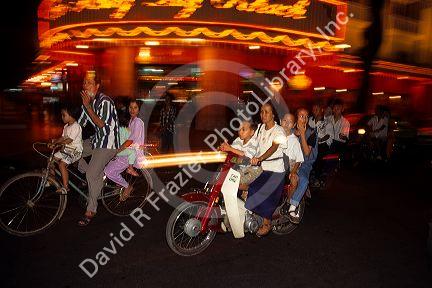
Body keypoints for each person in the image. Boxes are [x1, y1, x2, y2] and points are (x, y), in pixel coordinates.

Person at [77, 70, 120, 226]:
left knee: (90, 174)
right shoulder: (87, 103)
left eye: (88, 82)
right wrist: (64, 138)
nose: (84, 85)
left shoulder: (105, 101)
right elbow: (79, 126)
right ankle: (96, 175)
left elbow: (101, 124)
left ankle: (91, 209)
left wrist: (88, 107)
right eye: (84, 82)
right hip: (96, 140)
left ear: (97, 86)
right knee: (72, 151)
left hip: (108, 143)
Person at [245, 103, 286, 237]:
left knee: (257, 189)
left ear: (273, 115)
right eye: (262, 112)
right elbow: (251, 141)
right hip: (262, 168)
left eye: (267, 112)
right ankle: (249, 214)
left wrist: (260, 158)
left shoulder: (279, 131)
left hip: (276, 170)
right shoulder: (261, 128)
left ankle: (267, 223)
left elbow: (274, 147)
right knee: (242, 183)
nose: (263, 114)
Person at [104, 100, 145, 201]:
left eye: (135, 107)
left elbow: (130, 140)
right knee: (110, 167)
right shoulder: (131, 120)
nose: (132, 110)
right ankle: (119, 186)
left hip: (130, 152)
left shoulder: (138, 122)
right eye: (130, 107)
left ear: (139, 109)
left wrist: (117, 150)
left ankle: (127, 186)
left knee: (108, 171)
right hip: (127, 151)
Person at [288, 108, 318, 223]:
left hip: (304, 164)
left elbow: (306, 152)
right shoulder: (290, 129)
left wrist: (302, 134)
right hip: (289, 161)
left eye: (306, 116)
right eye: (301, 116)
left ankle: (292, 207)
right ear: (296, 117)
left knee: (304, 181)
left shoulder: (312, 132)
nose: (304, 119)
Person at [219, 120, 261, 199]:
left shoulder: (254, 142)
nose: (240, 131)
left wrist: (230, 149)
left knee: (235, 182)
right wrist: (225, 147)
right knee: (224, 178)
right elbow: (232, 150)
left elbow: (244, 155)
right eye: (239, 129)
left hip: (253, 169)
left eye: (243, 129)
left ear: (252, 132)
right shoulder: (238, 140)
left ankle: (252, 189)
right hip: (241, 168)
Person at [49, 103, 83, 194]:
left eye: (64, 115)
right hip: (66, 150)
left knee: (61, 165)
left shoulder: (76, 126)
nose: (62, 117)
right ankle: (51, 179)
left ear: (72, 115)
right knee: (51, 160)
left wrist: (58, 144)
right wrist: (55, 142)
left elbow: (69, 140)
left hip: (75, 151)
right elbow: (63, 138)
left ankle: (65, 187)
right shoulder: (66, 126)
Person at [280, 113, 304, 198]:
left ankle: (289, 200)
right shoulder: (276, 136)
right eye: (284, 120)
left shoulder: (294, 140)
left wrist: (293, 171)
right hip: (277, 163)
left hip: (290, 165)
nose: (286, 123)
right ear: (280, 121)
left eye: (290, 122)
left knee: (294, 180)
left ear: (293, 125)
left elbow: (299, 159)